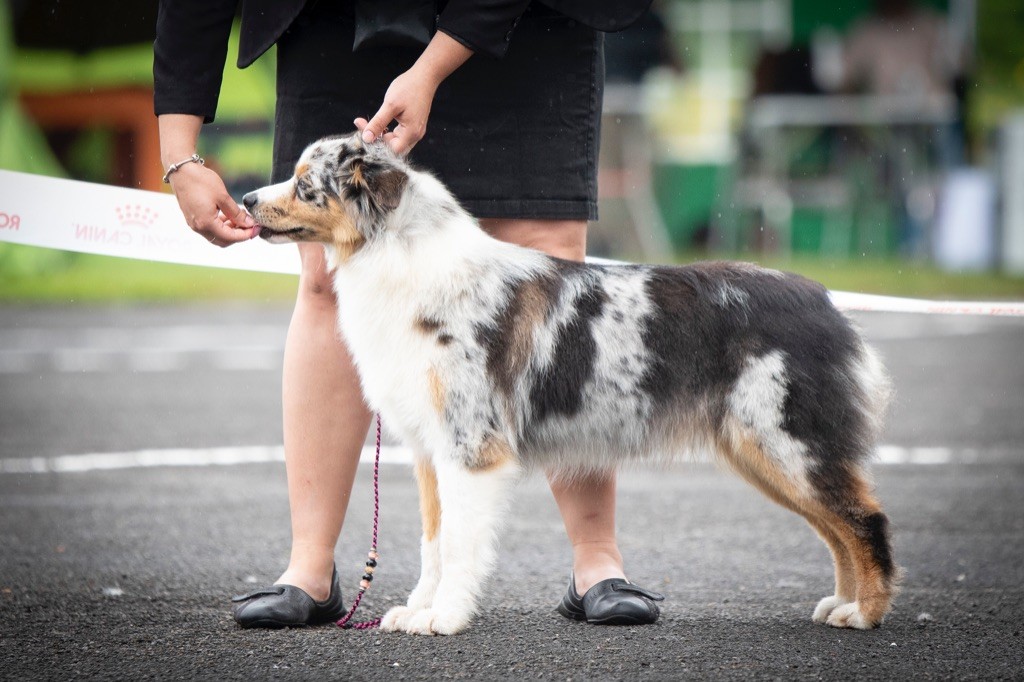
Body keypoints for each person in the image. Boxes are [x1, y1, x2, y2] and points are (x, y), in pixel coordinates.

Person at [154, 0, 663, 628]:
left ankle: (596, 559)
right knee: (323, 281)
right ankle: (309, 566)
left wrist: (431, 67)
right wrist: (179, 153)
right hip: (335, 26)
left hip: (526, 24)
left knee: (548, 260)